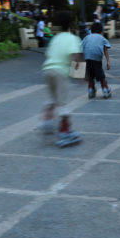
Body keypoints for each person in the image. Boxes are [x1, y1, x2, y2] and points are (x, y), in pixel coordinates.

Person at [39, 11, 83, 148]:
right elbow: (76, 57)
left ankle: (46, 120)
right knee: (63, 102)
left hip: (47, 69)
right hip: (60, 71)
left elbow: (49, 54)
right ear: (71, 24)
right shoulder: (73, 38)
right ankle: (65, 131)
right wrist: (80, 75)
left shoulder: (55, 38)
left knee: (53, 97)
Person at [82, 22, 112, 99]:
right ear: (101, 30)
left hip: (87, 57)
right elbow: (106, 49)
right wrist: (108, 61)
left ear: (91, 30)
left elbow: (81, 47)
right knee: (101, 74)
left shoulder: (86, 37)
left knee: (91, 75)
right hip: (97, 58)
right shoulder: (102, 38)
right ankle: (105, 89)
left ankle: (90, 90)